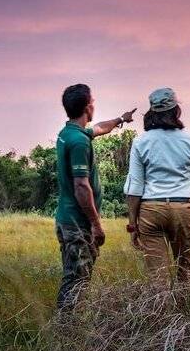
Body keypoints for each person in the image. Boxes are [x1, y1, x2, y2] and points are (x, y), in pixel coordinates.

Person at [55, 84, 136, 310]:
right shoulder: (79, 142)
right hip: (77, 223)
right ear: (88, 106)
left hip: (66, 219)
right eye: (93, 101)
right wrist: (96, 225)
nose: (94, 105)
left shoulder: (69, 133)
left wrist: (122, 119)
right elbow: (82, 186)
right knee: (76, 282)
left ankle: (68, 330)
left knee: (74, 276)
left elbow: (99, 128)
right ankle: (67, 334)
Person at [124, 87, 190, 289]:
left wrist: (132, 223)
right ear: (176, 110)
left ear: (152, 111)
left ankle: (160, 320)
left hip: (151, 210)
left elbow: (135, 187)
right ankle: (187, 319)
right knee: (186, 274)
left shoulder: (140, 141)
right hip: (184, 209)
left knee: (157, 279)